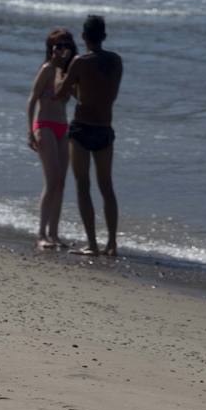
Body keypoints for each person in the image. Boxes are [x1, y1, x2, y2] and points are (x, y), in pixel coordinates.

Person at [55, 14, 123, 256]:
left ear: (84, 37)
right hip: (105, 128)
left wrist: (61, 66)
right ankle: (112, 243)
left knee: (83, 186)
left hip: (82, 128)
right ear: (104, 36)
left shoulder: (80, 62)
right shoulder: (116, 61)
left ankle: (92, 244)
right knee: (107, 187)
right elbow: (106, 95)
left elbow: (60, 92)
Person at [27, 28, 77, 250]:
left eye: (66, 45)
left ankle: (54, 234)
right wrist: (30, 131)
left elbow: (79, 96)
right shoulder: (47, 69)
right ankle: (41, 234)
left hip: (62, 127)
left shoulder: (69, 72)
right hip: (44, 125)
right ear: (51, 48)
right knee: (52, 180)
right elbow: (32, 100)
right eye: (58, 46)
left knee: (62, 182)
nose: (62, 50)